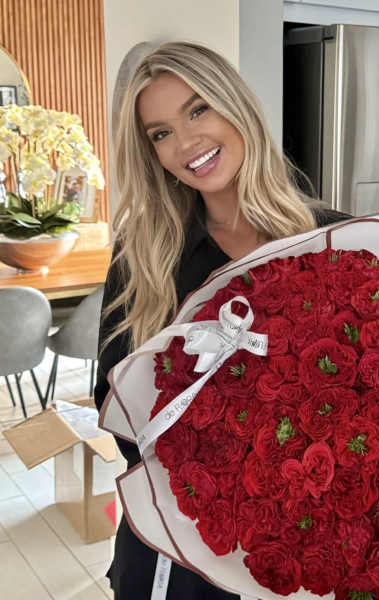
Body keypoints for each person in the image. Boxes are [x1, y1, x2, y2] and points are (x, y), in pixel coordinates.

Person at [94, 41, 349, 599]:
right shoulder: (144, 257)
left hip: (303, 544)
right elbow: (113, 399)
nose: (186, 143)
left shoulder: (336, 240)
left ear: (237, 106)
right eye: (161, 133)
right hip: (183, 545)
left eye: (198, 109)